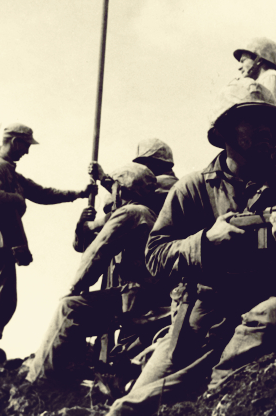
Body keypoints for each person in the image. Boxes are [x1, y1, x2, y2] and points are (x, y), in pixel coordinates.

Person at [107, 78, 276, 415]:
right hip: (201, 317)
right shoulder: (193, 188)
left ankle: (212, 390)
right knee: (128, 408)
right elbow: (155, 257)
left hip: (264, 314)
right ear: (226, 131)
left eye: (270, 123)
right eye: (253, 122)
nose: (266, 130)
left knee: (263, 324)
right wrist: (205, 242)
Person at [24, 163, 170, 385]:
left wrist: (74, 288)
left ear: (121, 190)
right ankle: (73, 369)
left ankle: (38, 381)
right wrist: (84, 227)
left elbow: (97, 252)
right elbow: (88, 243)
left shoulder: (131, 213)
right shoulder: (147, 214)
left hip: (139, 298)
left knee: (69, 308)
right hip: (146, 296)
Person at [0, 123, 95, 369]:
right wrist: (16, 199)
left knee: (6, 300)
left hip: (1, 245)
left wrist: (78, 193)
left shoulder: (10, 171)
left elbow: (42, 193)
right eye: (25, 145)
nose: (27, 151)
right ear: (14, 141)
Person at [233, 37, 276, 174]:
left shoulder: (271, 78)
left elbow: (274, 121)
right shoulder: (265, 80)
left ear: (258, 59)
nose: (239, 67)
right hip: (275, 150)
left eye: (243, 61)